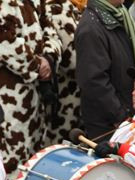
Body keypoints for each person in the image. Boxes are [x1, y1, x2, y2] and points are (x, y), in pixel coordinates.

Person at [0, 0, 61, 176]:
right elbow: (2, 43)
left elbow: (50, 29)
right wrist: (38, 65)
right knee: (7, 167)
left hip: (34, 103)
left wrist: (49, 58)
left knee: (32, 167)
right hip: (3, 104)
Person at [75, 0, 135, 139]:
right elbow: (93, 81)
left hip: (126, 116)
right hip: (109, 123)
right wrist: (120, 116)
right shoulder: (91, 27)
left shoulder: (120, 16)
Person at [45, 0, 83, 138]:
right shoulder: (56, 9)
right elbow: (72, 60)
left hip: (77, 97)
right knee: (61, 147)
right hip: (65, 98)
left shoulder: (75, 7)